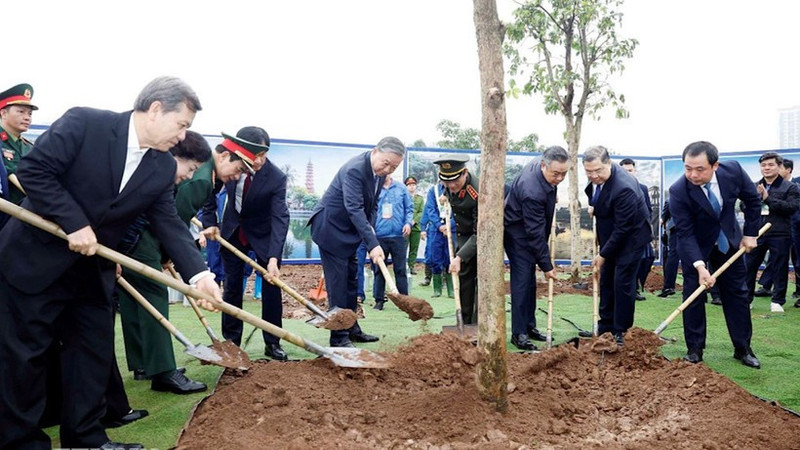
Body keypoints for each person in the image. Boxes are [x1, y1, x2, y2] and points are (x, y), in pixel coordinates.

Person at [0, 76, 223, 450]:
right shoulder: (85, 124)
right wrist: (75, 222)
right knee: (25, 358)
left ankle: (86, 439)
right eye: (182, 124)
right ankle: (21, 442)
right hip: (33, 263)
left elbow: (167, 221)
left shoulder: (160, 167)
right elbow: (33, 172)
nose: (184, 137)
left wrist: (199, 274)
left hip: (91, 273)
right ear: (155, 109)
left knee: (90, 354)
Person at [115, 130, 213, 394]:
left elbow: (169, 218)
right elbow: (172, 220)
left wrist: (197, 273)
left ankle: (143, 364)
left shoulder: (162, 175)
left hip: (132, 236)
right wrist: (163, 253)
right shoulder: (196, 180)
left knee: (135, 297)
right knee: (153, 292)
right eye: (189, 168)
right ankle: (162, 371)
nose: (190, 176)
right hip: (134, 238)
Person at [668, 141, 762, 369]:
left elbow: (752, 201)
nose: (693, 174)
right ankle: (695, 349)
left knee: (737, 294)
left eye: (700, 169)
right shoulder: (678, 190)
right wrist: (700, 267)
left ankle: (743, 348)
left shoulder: (734, 172)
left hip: (728, 242)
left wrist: (750, 234)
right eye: (688, 168)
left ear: (715, 165)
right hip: (695, 246)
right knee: (693, 294)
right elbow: (685, 232)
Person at [200, 127, 290, 360]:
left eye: (263, 154)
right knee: (232, 287)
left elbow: (281, 217)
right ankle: (232, 342)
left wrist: (273, 258)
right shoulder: (231, 164)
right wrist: (209, 222)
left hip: (264, 234)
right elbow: (211, 189)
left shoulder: (276, 178)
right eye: (254, 154)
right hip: (233, 231)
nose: (258, 161)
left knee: (272, 287)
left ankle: (273, 341)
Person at [308, 137, 405, 347]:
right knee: (338, 285)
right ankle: (338, 337)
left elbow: (371, 207)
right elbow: (353, 207)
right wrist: (372, 243)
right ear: (375, 151)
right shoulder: (355, 169)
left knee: (352, 280)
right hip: (331, 229)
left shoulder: (379, 174)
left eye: (394, 167)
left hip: (349, 231)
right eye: (386, 163)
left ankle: (351, 328)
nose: (388, 169)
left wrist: (370, 232)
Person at [583, 146, 651, 346]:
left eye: (598, 171)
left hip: (631, 238)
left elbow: (623, 228)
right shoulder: (599, 178)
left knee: (622, 283)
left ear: (609, 162)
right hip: (612, 234)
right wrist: (595, 206)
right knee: (606, 280)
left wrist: (603, 255)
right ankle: (605, 326)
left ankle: (621, 329)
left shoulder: (624, 188)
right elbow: (598, 196)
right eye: (589, 172)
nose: (593, 176)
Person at [504, 146, 569, 351]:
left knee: (530, 283)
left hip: (529, 227)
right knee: (522, 282)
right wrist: (547, 266)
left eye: (564, 173)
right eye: (555, 174)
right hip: (518, 233)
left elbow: (549, 187)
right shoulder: (532, 191)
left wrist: (551, 195)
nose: (559, 178)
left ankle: (530, 326)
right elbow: (534, 234)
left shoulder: (543, 166)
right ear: (543, 166)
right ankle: (519, 334)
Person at [744, 152, 799, 313]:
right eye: (763, 165)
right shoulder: (754, 186)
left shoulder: (790, 187)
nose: (766, 168)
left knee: (779, 266)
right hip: (757, 233)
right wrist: (755, 201)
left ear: (780, 167)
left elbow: (791, 208)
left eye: (770, 165)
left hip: (780, 233)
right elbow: (743, 207)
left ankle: (777, 300)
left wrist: (768, 199)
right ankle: (746, 299)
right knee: (749, 266)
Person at [434, 154, 479, 324]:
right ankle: (464, 323)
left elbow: (480, 232)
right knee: (465, 279)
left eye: (455, 182)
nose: (451, 186)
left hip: (483, 236)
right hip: (464, 236)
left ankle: (479, 326)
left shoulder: (477, 192)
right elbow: (449, 188)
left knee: (481, 282)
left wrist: (460, 256)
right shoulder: (450, 185)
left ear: (465, 173)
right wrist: (445, 196)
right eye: (447, 182)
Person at [372, 175, 413, 310]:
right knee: (379, 270)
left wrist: (407, 223)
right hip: (379, 236)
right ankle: (379, 300)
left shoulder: (401, 188)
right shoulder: (373, 188)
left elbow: (409, 208)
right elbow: (369, 210)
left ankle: (404, 300)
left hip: (398, 235)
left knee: (400, 269)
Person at [619, 158, 654, 301]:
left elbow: (649, 210)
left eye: (630, 170)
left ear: (635, 171)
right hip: (624, 234)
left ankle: (638, 285)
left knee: (648, 258)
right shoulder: (617, 188)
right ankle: (631, 290)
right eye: (624, 171)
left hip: (641, 232)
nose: (628, 173)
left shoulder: (643, 188)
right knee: (630, 261)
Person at [0, 83, 38, 204]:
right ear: (3, 113)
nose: (27, 118)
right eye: (21, 112)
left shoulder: (30, 147)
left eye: (30, 114)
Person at [419, 181, 454, 298]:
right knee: (435, 258)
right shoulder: (433, 190)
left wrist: (450, 226)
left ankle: (451, 289)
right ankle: (437, 289)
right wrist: (439, 225)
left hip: (452, 228)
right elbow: (430, 209)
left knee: (450, 258)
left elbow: (459, 209)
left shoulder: (455, 188)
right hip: (436, 229)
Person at [658, 199, 680, 298]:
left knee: (673, 256)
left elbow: (662, 220)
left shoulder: (671, 198)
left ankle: (668, 287)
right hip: (689, 229)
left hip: (676, 229)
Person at [405, 176, 425, 275]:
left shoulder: (420, 198)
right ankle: (402, 265)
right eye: (409, 185)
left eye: (413, 185)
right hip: (405, 227)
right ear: (406, 186)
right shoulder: (403, 197)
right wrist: (408, 221)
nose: (412, 187)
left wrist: (414, 220)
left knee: (414, 248)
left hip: (416, 227)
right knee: (403, 247)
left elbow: (421, 211)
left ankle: (411, 266)